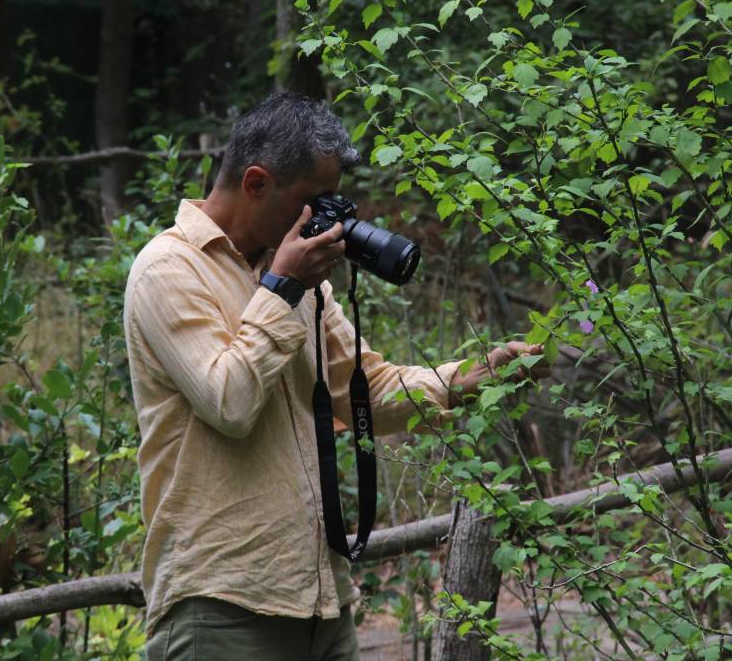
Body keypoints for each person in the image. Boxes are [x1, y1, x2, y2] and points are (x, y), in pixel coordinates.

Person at [123, 93, 547, 660]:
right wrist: (282, 289)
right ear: (255, 183)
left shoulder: (294, 273)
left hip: (323, 600)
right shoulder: (167, 269)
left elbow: (364, 391)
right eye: (311, 201)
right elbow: (229, 402)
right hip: (220, 605)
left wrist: (468, 380)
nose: (329, 222)